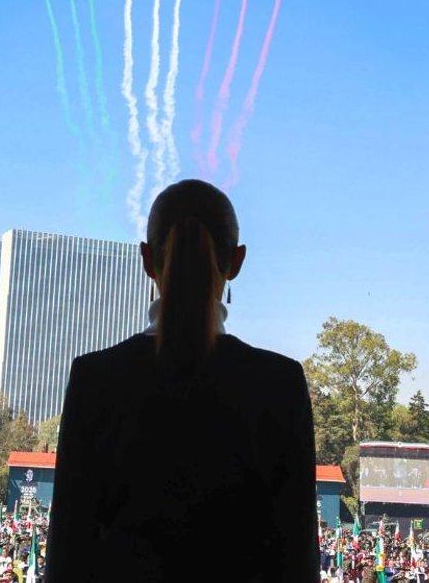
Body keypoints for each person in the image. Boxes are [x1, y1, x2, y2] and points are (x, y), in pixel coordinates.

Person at [46, 179, 320, 581]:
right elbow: (297, 559)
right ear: (237, 261)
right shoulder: (280, 384)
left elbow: (68, 555)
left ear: (146, 259)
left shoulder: (94, 379)